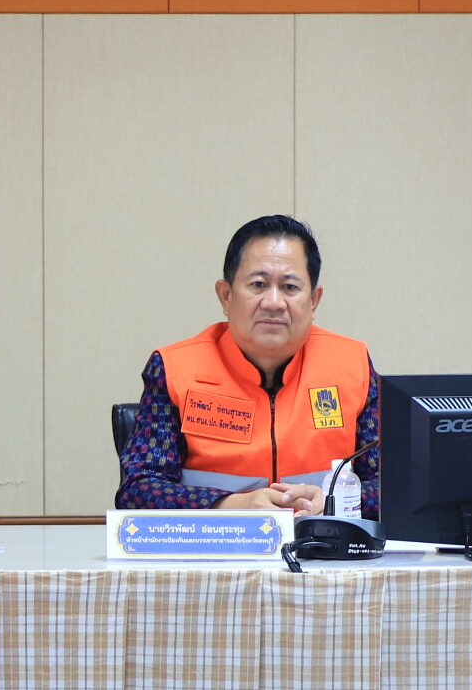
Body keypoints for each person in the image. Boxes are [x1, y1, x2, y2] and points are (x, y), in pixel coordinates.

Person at [116, 215, 377, 517]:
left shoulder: (351, 365)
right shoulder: (176, 369)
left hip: (322, 542)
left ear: (314, 301)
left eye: (290, 287)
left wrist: (333, 500)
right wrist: (233, 505)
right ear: (226, 296)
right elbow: (137, 491)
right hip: (217, 544)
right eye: (258, 284)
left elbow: (398, 485)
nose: (274, 302)